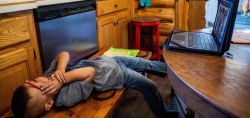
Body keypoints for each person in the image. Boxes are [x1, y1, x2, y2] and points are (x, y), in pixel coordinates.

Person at [11, 51, 179, 118]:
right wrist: (63, 79)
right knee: (150, 86)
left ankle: (178, 71)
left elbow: (63, 53)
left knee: (146, 63)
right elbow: (89, 72)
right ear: (48, 104)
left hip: (111, 61)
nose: (40, 81)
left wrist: (60, 68)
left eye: (32, 82)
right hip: (117, 75)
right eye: (40, 88)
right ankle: (163, 113)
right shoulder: (64, 96)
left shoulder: (50, 76)